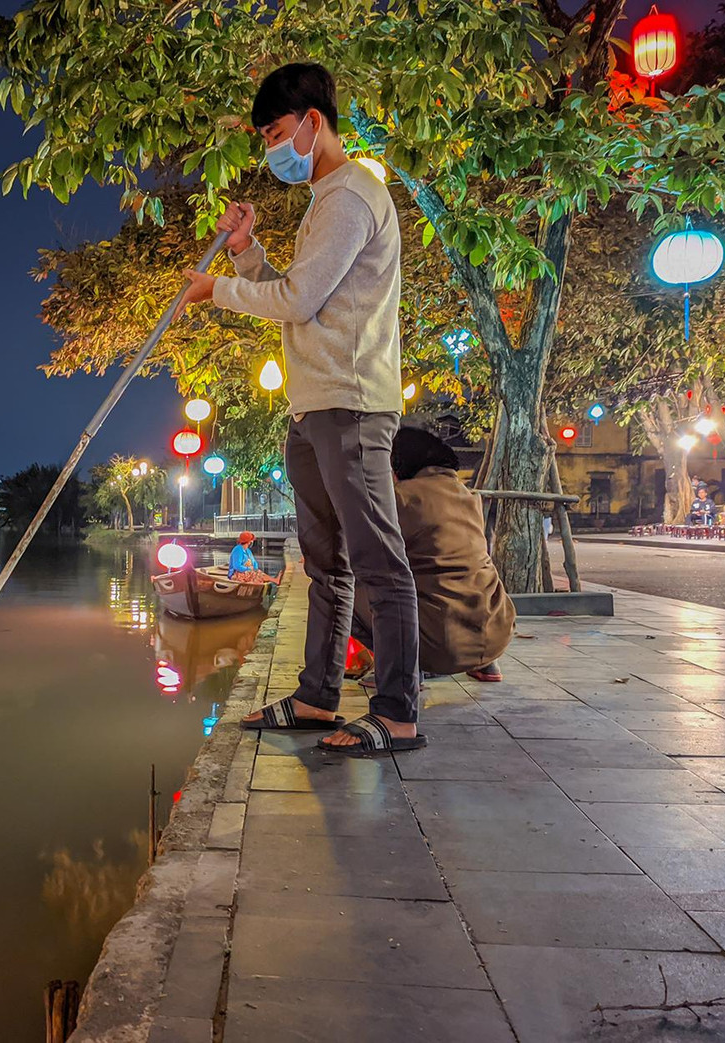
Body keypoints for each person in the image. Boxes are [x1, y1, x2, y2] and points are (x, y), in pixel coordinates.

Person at [176, 62, 422, 754]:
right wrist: (247, 251)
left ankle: (399, 709)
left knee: (378, 560)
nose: (272, 152)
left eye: (278, 134)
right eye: (265, 140)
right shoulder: (326, 201)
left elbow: (297, 302)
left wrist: (215, 287)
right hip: (312, 408)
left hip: (349, 405)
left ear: (314, 121)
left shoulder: (351, 196)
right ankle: (318, 696)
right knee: (327, 562)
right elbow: (292, 296)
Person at [350, 428, 515, 683]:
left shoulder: (401, 498)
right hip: (498, 631)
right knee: (471, 573)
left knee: (343, 590)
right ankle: (487, 663)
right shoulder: (470, 497)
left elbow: (363, 554)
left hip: (443, 645)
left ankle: (401, 669)